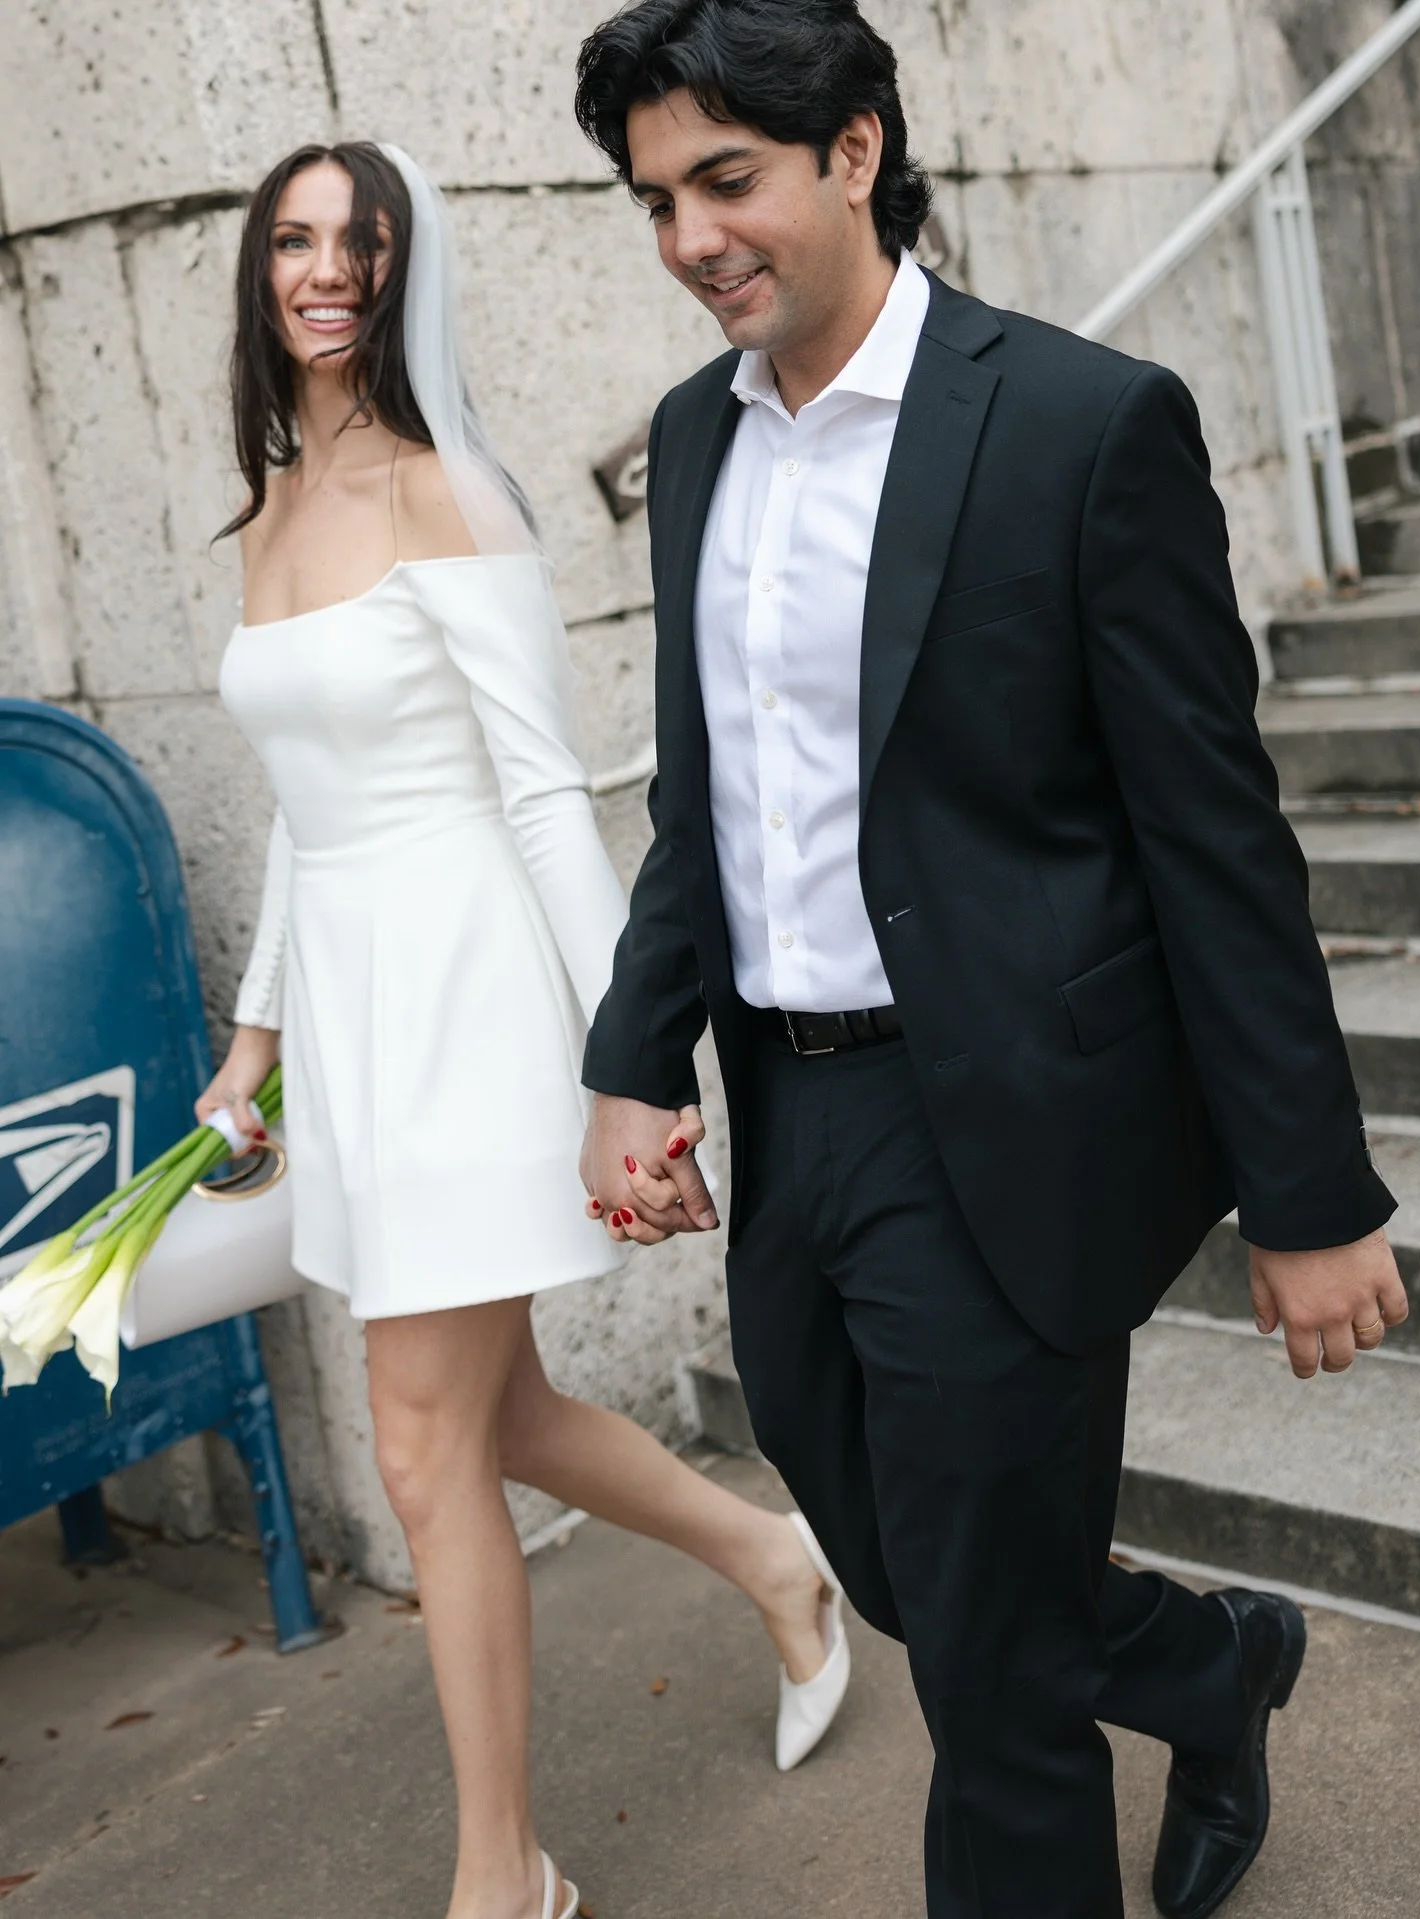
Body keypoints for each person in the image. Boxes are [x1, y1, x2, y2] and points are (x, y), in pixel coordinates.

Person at [572, 5, 1410, 1916]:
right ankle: (1210, 1667)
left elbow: (1213, 836)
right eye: (656, 201)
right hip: (792, 1111)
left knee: (994, 1685)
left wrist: (1307, 1190)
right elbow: (708, 796)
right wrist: (637, 1051)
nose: (691, 238)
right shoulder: (698, 438)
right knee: (914, 1567)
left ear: (856, 150)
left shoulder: (1080, 424)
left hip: (1006, 1119)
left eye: (726, 180)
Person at [199, 138, 852, 1919]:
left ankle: (506, 1880)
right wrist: (256, 1038)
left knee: (422, 1444)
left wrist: (637, 1060)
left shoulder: (449, 492)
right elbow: (305, 810)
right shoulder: (272, 504)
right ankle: (775, 1559)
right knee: (497, 1416)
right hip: (354, 1014)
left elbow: (549, 798)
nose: (325, 270)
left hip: (470, 997)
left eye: (362, 242)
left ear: (407, 270)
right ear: (262, 269)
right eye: (295, 240)